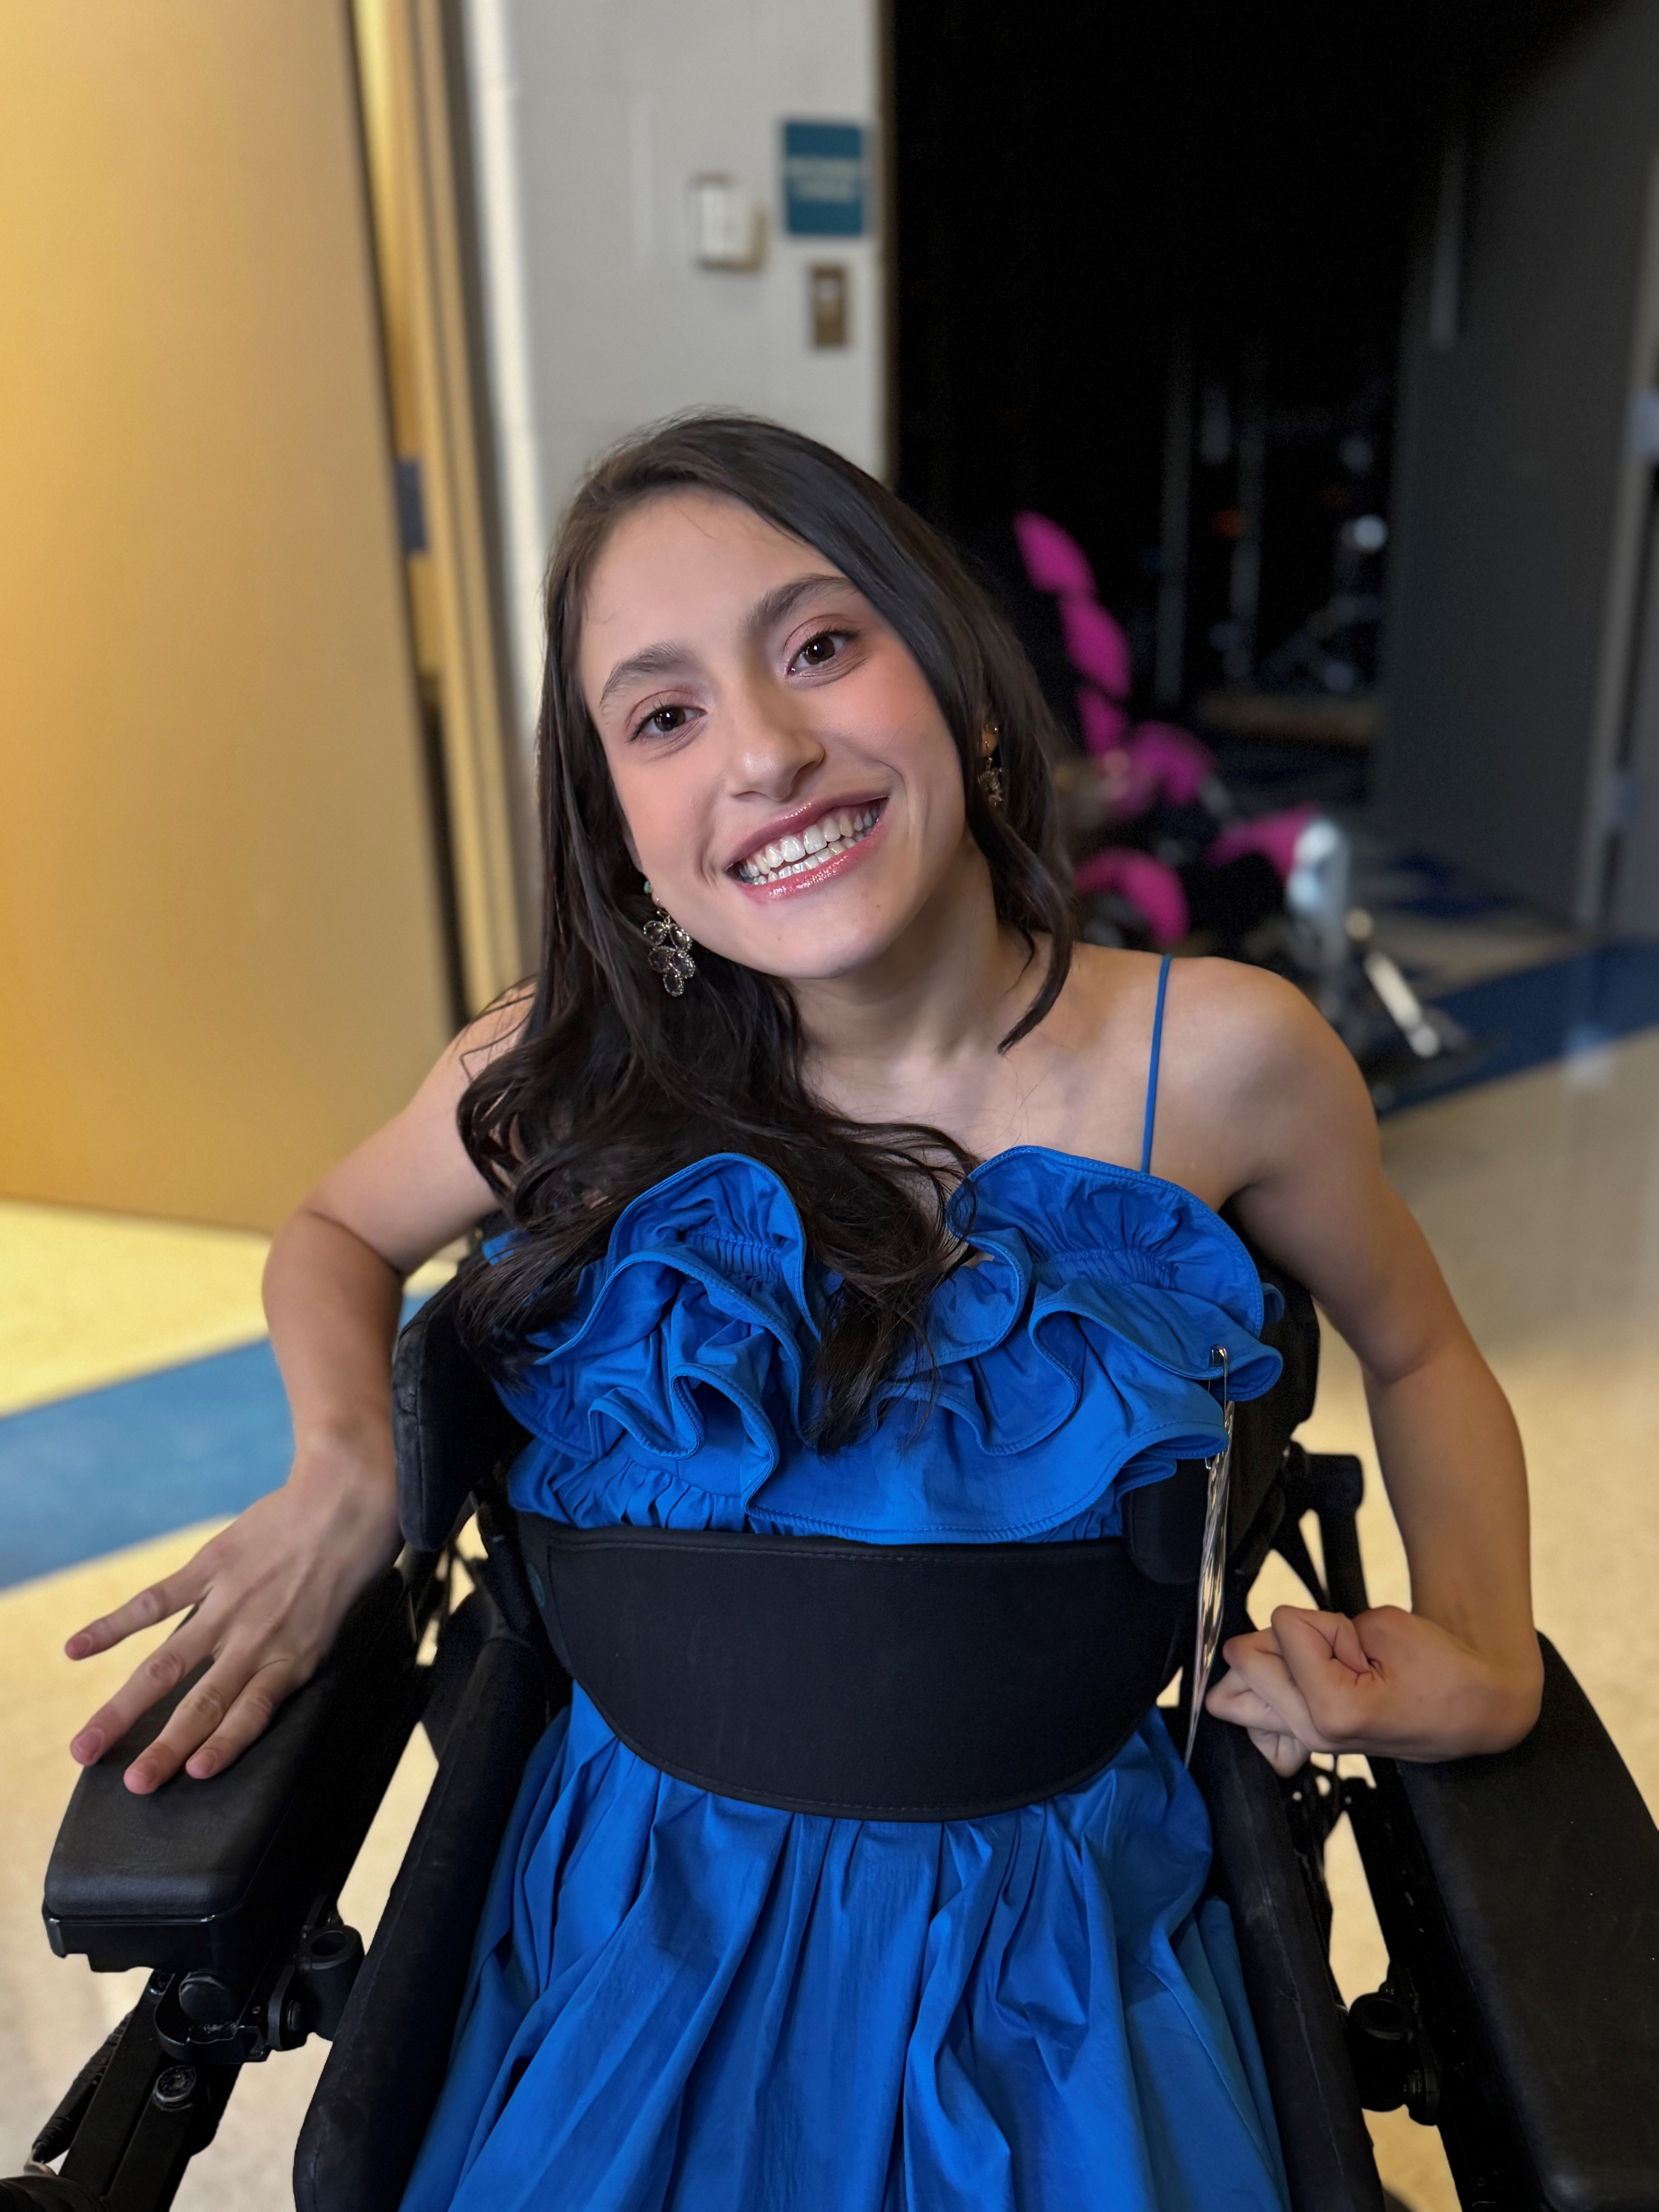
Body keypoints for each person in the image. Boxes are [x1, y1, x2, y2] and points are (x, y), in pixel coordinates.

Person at [62, 416, 1542, 2210]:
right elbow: (332, 1228)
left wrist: (1487, 1643)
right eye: (663, 716)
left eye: (823, 645)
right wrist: (346, 1469)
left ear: (967, 693)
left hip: (1058, 1931)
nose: (764, 751)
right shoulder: (577, 1073)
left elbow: (1421, 1348)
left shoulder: (1221, 1060)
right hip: (637, 1926)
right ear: (619, 831)